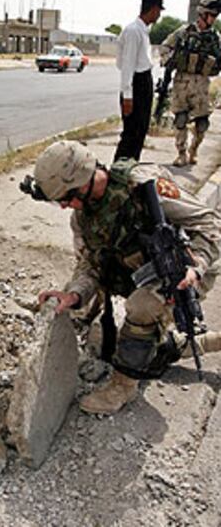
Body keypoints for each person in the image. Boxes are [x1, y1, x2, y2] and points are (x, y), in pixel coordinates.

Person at [20, 140, 221, 415]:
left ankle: (123, 386)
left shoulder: (144, 186)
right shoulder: (83, 218)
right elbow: (89, 264)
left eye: (67, 198)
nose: (66, 207)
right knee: (130, 349)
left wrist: (196, 265)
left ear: (83, 181)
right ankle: (205, 342)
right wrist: (74, 295)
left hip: (187, 274)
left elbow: (210, 224)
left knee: (142, 308)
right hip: (141, 274)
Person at [160, 0, 221, 167]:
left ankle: (194, 150)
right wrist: (171, 59)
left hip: (202, 84)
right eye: (211, 15)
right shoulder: (183, 32)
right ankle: (181, 153)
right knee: (180, 120)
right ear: (202, 14)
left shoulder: (215, 38)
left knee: (202, 124)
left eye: (215, 16)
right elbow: (165, 47)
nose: (213, 19)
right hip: (182, 82)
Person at [114, 0, 166, 162]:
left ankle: (130, 169)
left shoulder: (143, 31)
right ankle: (118, 174)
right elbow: (127, 67)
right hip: (136, 85)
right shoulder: (133, 31)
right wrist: (128, 97)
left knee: (139, 133)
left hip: (143, 83)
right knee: (131, 134)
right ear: (152, 9)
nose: (159, 15)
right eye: (158, 10)